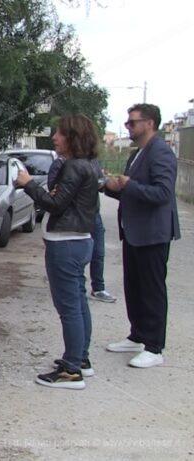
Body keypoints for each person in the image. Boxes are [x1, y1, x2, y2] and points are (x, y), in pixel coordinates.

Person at [18, 114, 99, 390]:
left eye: (59, 133)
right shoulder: (85, 165)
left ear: (72, 137)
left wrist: (28, 183)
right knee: (77, 301)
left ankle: (72, 371)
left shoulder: (73, 167)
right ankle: (80, 359)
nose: (54, 137)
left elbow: (55, 204)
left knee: (69, 308)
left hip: (65, 242)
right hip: (78, 240)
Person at [104, 103, 180, 368]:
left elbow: (161, 194)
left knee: (152, 290)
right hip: (134, 231)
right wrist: (111, 187)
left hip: (153, 233)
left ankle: (154, 347)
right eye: (127, 122)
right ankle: (137, 335)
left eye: (132, 122)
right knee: (133, 287)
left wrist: (129, 184)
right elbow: (131, 191)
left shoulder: (161, 153)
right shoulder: (138, 153)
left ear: (149, 123)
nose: (128, 126)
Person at [48, 156, 116, 303]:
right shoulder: (60, 163)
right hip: (71, 219)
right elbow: (53, 191)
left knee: (98, 252)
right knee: (77, 255)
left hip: (92, 214)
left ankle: (98, 288)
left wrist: (103, 183)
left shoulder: (93, 161)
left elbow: (101, 181)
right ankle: (77, 288)